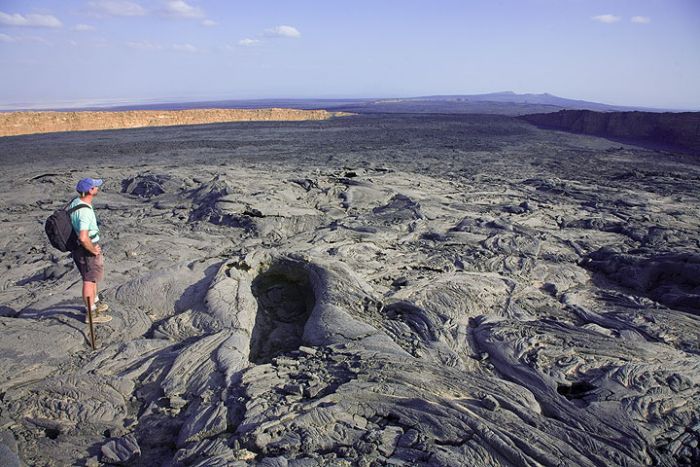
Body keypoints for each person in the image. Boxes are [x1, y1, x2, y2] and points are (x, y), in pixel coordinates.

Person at [70, 177, 112, 324]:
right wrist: (93, 250)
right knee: (88, 280)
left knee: (92, 277)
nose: (97, 188)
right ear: (90, 190)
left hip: (78, 248)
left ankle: (95, 303)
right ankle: (91, 314)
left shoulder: (76, 202)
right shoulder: (84, 212)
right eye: (95, 186)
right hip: (86, 249)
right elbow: (83, 237)